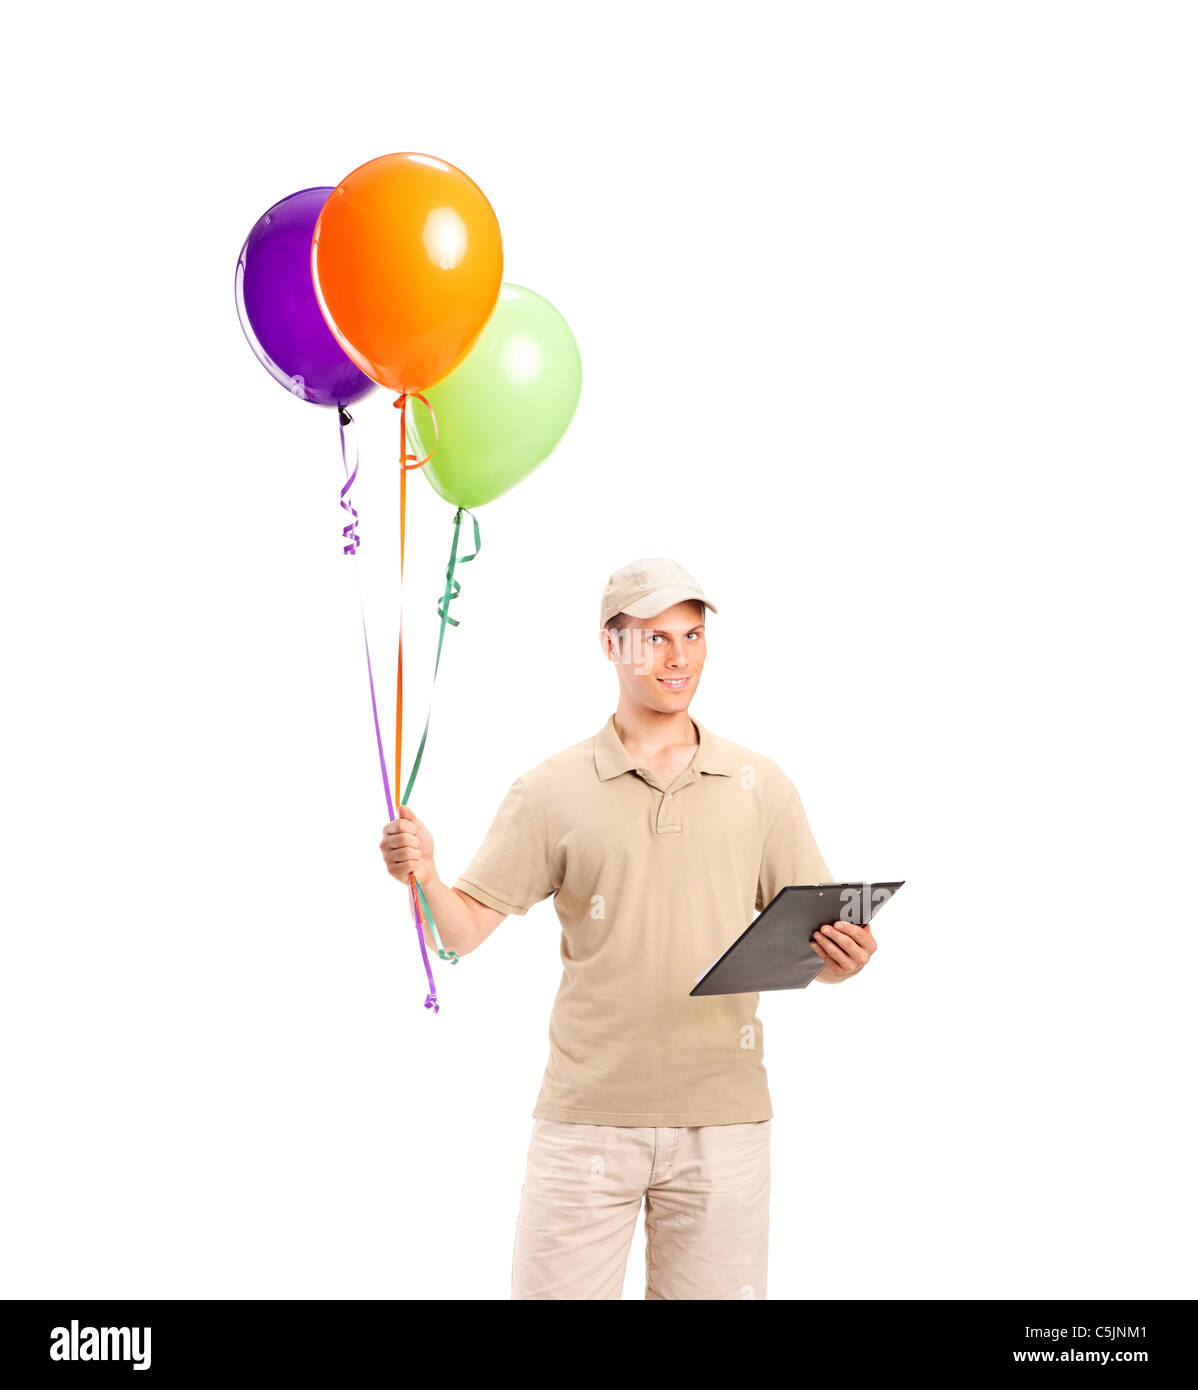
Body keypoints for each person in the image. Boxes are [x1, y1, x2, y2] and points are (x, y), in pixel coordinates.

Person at [379, 558, 878, 1299]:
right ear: (610, 647)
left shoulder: (759, 785)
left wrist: (848, 957)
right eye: (654, 639)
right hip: (586, 1123)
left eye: (692, 636)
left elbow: (819, 941)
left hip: (724, 1123)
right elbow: (461, 930)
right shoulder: (550, 790)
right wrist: (424, 877)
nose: (678, 659)